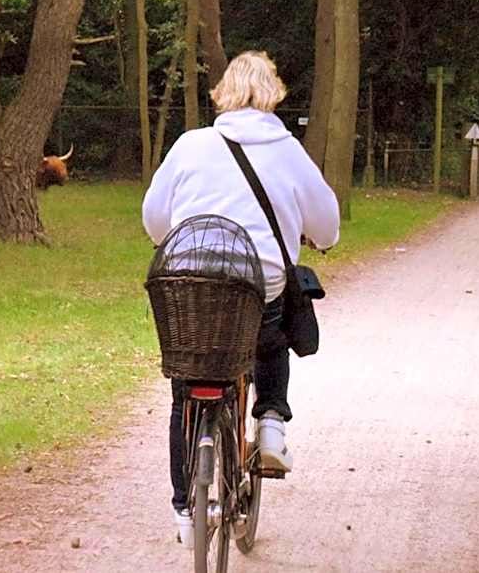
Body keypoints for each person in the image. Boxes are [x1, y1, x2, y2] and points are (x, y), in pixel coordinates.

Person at [141, 50, 341, 547]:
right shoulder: (288, 149)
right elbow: (327, 225)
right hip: (259, 286)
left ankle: (185, 512)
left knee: (186, 385)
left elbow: (154, 218)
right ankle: (271, 423)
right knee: (272, 335)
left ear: (222, 93)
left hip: (191, 286)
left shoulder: (190, 145)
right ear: (273, 93)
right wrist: (317, 239)